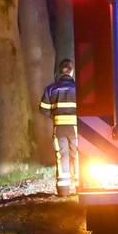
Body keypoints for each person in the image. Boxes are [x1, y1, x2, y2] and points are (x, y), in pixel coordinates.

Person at [40, 59, 78, 196]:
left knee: (62, 156)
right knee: (78, 155)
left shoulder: (51, 89)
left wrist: (54, 116)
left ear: (60, 71)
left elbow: (44, 109)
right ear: (71, 71)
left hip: (59, 127)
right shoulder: (78, 88)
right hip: (75, 128)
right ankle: (81, 187)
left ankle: (63, 190)